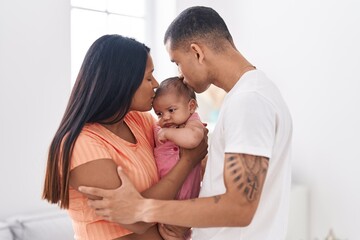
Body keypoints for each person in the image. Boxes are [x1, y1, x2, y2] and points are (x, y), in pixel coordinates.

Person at [79, 6, 293, 240]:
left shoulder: (249, 101)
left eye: (177, 62)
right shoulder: (251, 95)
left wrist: (142, 208)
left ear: (197, 52)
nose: (179, 75)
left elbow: (239, 208)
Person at [42, 34, 208, 240]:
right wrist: (188, 161)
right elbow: (136, 218)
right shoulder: (81, 144)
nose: (156, 84)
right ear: (122, 81)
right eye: (148, 77)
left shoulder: (140, 121)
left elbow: (192, 141)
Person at [153, 76, 204, 201]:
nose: (165, 117)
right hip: (165, 192)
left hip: (188, 196)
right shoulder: (160, 126)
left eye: (171, 110)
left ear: (191, 106)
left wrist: (168, 133)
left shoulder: (192, 123)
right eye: (159, 113)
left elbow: (192, 139)